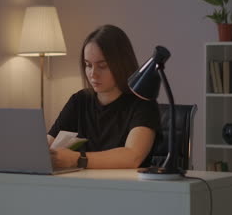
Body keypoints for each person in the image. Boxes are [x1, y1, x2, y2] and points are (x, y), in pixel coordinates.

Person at [47, 24, 160, 169]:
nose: (93, 74)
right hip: (82, 187)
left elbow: (132, 157)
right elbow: (47, 146)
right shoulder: (79, 100)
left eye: (102, 66)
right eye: (88, 65)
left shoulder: (143, 104)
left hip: (128, 188)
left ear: (121, 64)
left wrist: (76, 159)